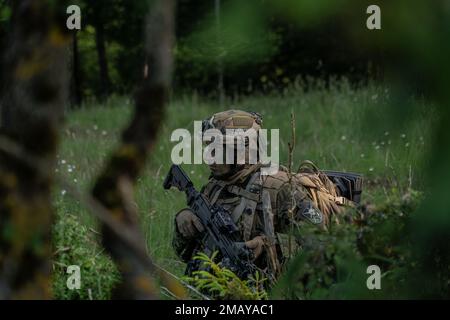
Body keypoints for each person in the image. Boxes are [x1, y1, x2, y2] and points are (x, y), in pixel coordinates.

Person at [172, 110, 356, 281]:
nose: (208, 157)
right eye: (208, 148)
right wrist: (183, 221)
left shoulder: (281, 189)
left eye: (218, 150)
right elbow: (185, 254)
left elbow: (322, 246)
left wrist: (268, 245)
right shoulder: (216, 187)